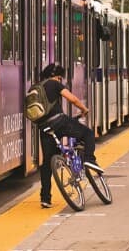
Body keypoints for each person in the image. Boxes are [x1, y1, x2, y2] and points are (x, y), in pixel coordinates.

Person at [36, 63, 102, 208]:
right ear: (58, 76)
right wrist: (84, 109)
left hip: (44, 128)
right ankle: (90, 159)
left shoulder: (35, 87)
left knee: (47, 162)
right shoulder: (55, 84)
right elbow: (72, 99)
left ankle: (45, 198)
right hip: (59, 122)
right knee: (87, 134)